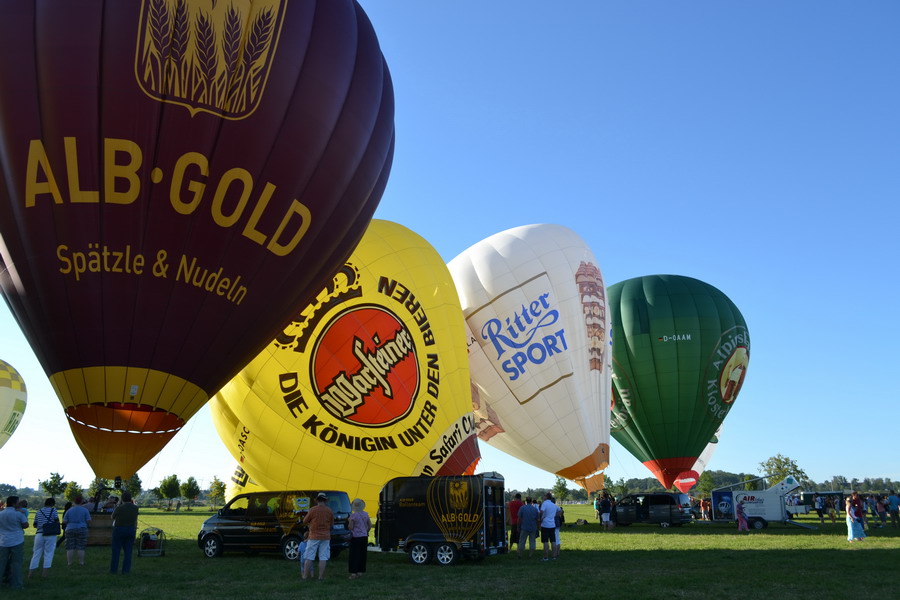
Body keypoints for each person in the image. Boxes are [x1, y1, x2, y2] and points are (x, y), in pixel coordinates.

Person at [302, 492, 334, 581]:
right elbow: (331, 524)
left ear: (317, 500)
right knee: (323, 557)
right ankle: (320, 577)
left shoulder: (312, 510)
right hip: (326, 536)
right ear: (325, 500)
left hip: (313, 536)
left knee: (309, 556)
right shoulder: (329, 511)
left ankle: (305, 576)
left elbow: (304, 521)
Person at [0, 496, 29, 590]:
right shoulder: (18, 514)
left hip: (3, 540)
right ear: (14, 503)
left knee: (2, 562)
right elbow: (25, 525)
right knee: (16, 563)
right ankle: (16, 584)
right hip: (17, 540)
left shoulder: (1, 513)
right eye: (17, 502)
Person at [29, 498, 59, 579]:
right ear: (52, 504)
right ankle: (45, 574)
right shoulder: (53, 511)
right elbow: (56, 521)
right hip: (50, 534)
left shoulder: (38, 511)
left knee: (36, 553)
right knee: (48, 553)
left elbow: (35, 524)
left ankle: (31, 574)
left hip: (39, 534)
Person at [110, 492, 139, 574]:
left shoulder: (119, 508)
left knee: (116, 551)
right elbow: (136, 519)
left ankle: (113, 570)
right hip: (130, 529)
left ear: (122, 499)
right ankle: (126, 570)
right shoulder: (135, 508)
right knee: (128, 552)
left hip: (119, 529)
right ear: (130, 498)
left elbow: (112, 517)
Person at [63, 496, 91, 566]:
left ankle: (69, 563)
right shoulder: (85, 510)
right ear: (82, 502)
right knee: (81, 547)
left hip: (70, 529)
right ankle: (81, 562)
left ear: (74, 502)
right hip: (82, 528)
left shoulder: (69, 510)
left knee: (70, 547)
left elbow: (64, 521)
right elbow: (89, 520)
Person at [347, 498, 370, 580]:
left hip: (355, 537)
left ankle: (354, 573)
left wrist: (349, 521)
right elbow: (369, 525)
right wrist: (365, 531)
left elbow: (351, 527)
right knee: (362, 554)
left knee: (354, 555)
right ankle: (360, 571)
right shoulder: (366, 514)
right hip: (364, 537)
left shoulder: (353, 516)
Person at [538, 493, 559, 562]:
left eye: (544, 496)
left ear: (546, 497)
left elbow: (541, 512)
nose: (543, 497)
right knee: (553, 541)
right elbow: (560, 510)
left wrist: (540, 519)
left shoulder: (544, 503)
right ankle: (554, 556)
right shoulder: (553, 505)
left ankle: (546, 557)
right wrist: (555, 515)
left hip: (545, 524)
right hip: (552, 524)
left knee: (545, 541)